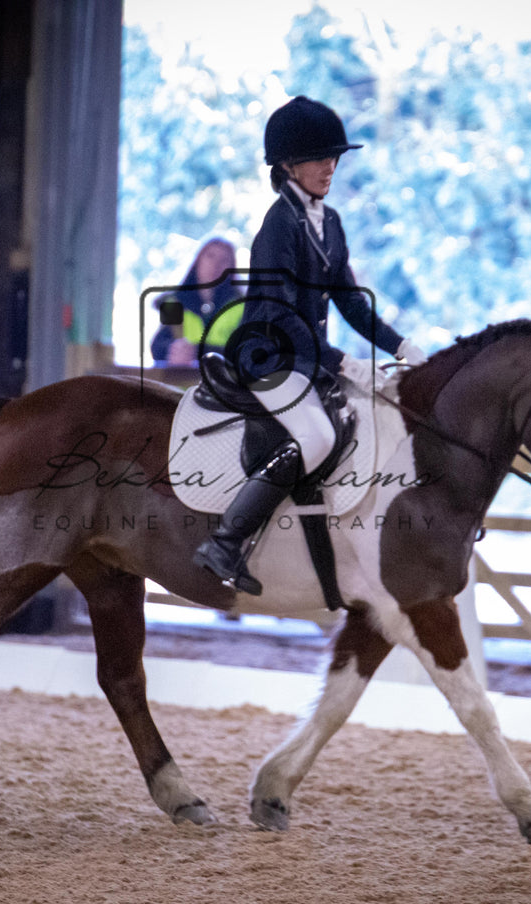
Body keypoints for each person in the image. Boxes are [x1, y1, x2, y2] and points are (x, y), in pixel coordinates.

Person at [193, 95, 427, 595]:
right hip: (268, 356)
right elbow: (280, 314)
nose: (330, 166)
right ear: (287, 165)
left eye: (334, 157)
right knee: (317, 437)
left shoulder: (330, 221)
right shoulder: (277, 226)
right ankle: (224, 543)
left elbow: (349, 303)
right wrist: (343, 360)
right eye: (320, 158)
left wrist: (402, 345)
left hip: (307, 360)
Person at [151, 238, 246, 365]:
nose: (215, 264)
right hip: (182, 382)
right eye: (210, 256)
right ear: (198, 260)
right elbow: (158, 346)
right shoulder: (175, 303)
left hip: (222, 381)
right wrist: (173, 350)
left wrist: (198, 352)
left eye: (224, 260)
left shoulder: (242, 306)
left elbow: (245, 352)